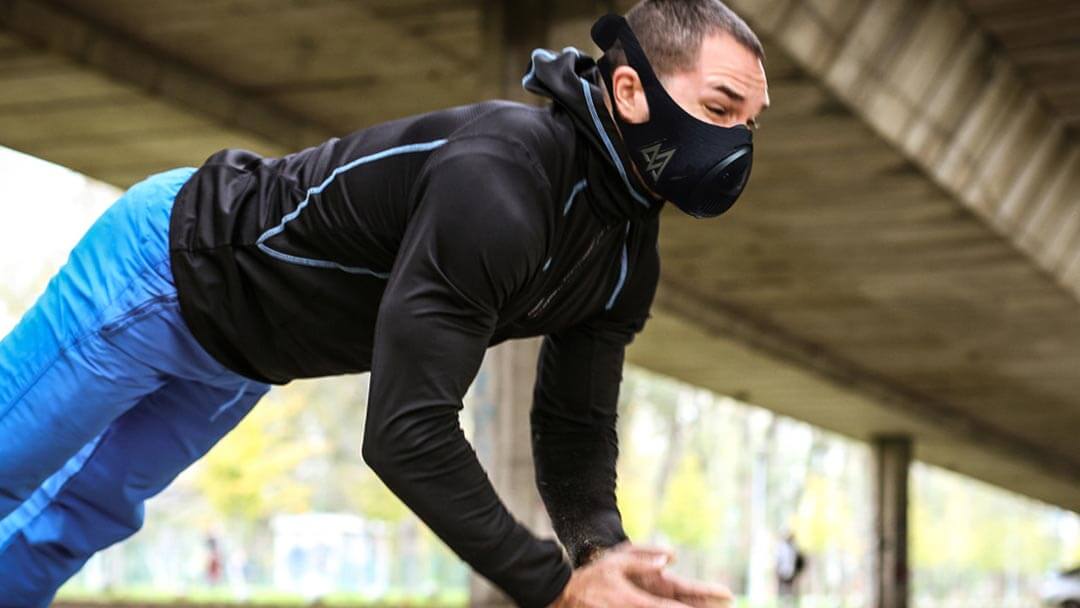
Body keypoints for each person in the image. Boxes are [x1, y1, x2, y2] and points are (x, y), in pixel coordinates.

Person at [0, 0, 769, 605]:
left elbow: (575, 423)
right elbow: (406, 430)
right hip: (170, 268)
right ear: (630, 90)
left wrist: (603, 555)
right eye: (722, 107)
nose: (738, 144)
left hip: (244, 355)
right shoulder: (500, 181)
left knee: (76, 526)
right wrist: (553, 584)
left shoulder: (626, 255)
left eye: (750, 125)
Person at [776, 531, 806, 607]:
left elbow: (800, 560)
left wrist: (798, 571)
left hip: (792, 572)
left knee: (791, 589)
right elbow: (778, 560)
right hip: (783, 572)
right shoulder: (781, 547)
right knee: (784, 589)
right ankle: (784, 603)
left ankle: (790, 603)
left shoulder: (795, 548)